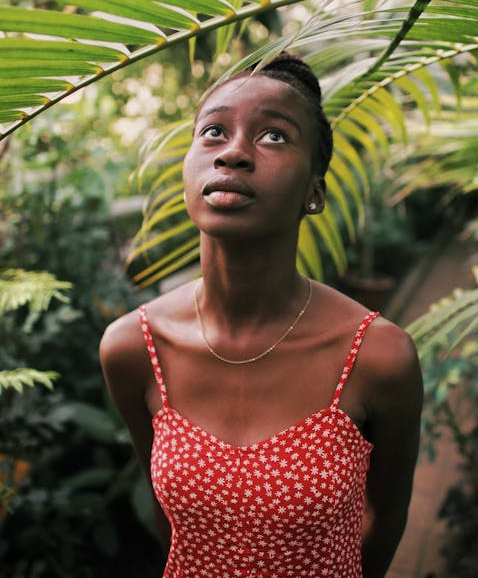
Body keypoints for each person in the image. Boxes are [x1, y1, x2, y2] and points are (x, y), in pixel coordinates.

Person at [100, 52, 423, 578]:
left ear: (313, 193)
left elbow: (384, 520)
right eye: (213, 132)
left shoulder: (378, 356)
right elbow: (173, 524)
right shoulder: (134, 347)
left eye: (273, 136)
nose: (233, 153)